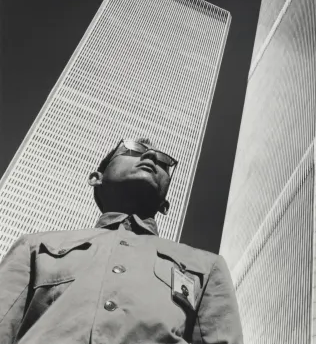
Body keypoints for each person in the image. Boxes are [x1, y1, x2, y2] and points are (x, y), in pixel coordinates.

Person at [0, 137, 244, 344]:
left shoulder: (206, 266)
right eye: (132, 150)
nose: (150, 157)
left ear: (165, 205)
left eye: (162, 162)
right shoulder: (34, 246)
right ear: (96, 177)